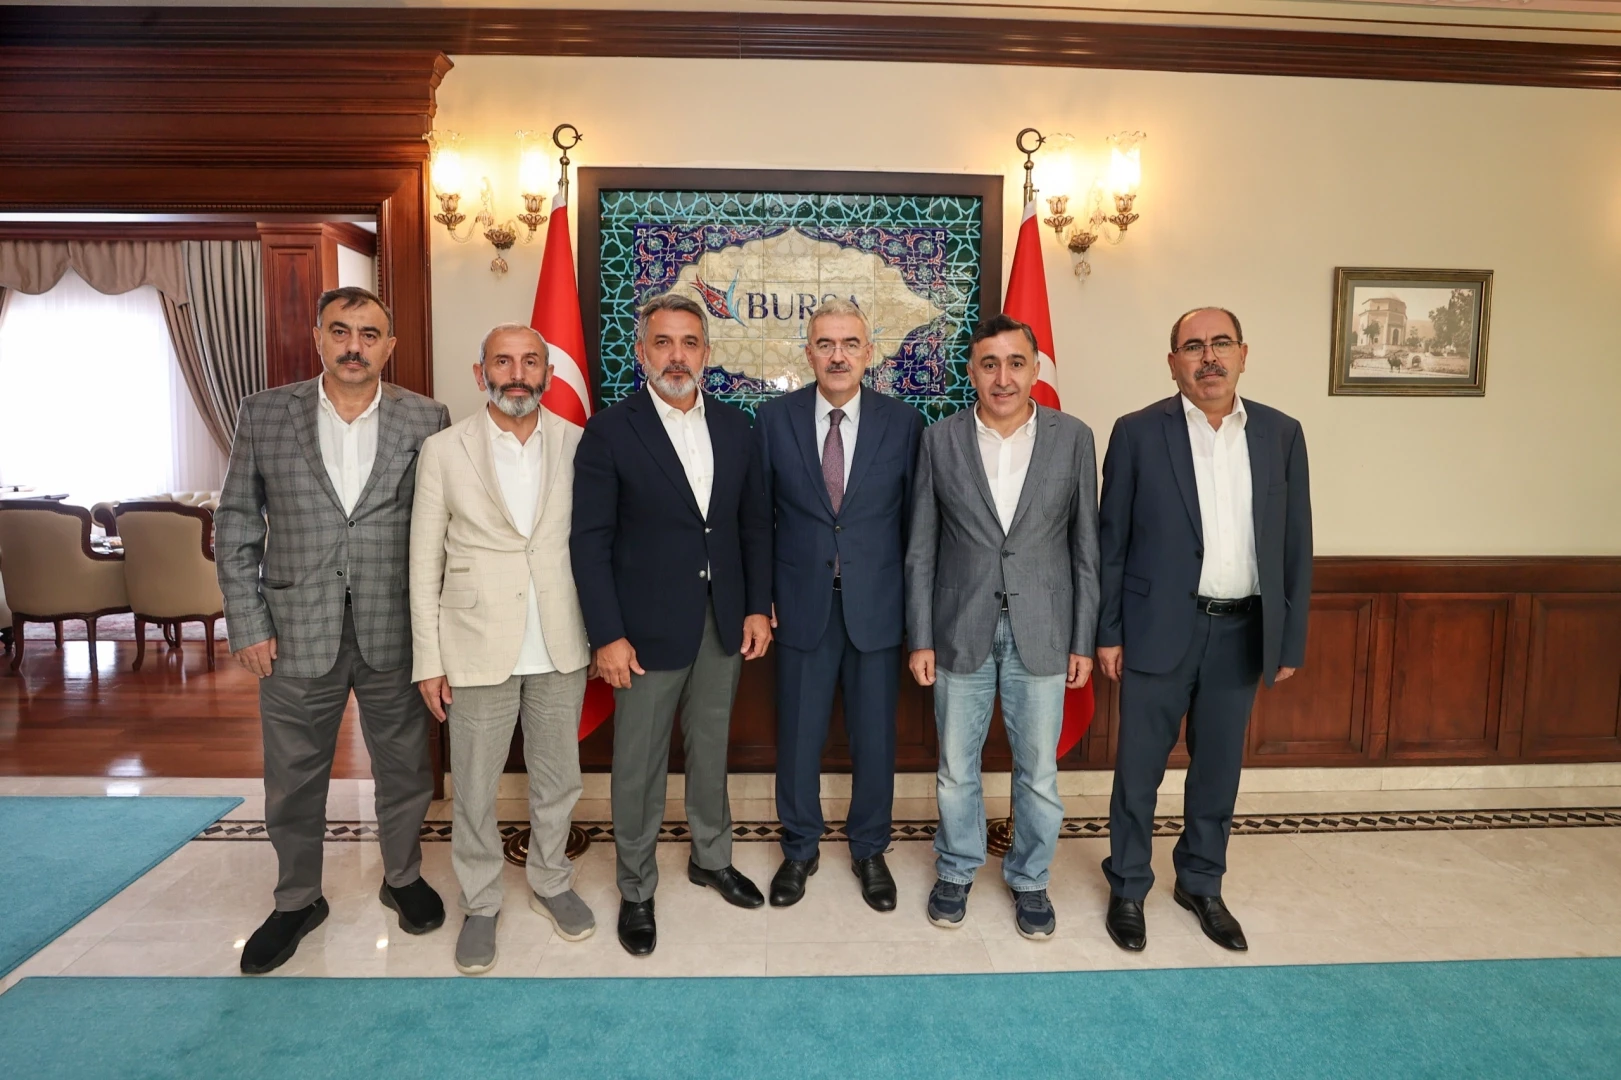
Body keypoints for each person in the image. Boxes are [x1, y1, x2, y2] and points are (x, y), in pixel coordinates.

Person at [216, 286, 449, 974]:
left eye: (369, 334)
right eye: (341, 331)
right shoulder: (264, 413)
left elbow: (442, 526)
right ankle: (296, 899)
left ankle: (402, 876)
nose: (354, 346)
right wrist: (246, 622)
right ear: (317, 337)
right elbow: (235, 522)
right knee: (292, 776)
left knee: (405, 768)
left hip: (395, 627)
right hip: (292, 629)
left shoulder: (426, 417)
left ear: (389, 346)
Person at [1096, 306, 1313, 953]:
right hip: (1157, 629)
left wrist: (1288, 638)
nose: (1208, 357)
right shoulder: (1136, 433)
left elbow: (1295, 545)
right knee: (1138, 771)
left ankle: (1200, 882)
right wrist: (1108, 631)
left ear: (1243, 354)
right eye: (1193, 346)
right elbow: (1111, 543)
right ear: (1173, 363)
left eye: (1221, 344)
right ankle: (1128, 885)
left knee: (1217, 770)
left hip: (1242, 631)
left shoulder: (1281, 434)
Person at [570, 293, 773, 956]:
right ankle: (635, 886)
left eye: (689, 343)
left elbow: (751, 526)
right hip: (642, 632)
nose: (676, 356)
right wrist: (606, 634)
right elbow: (589, 542)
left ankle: (711, 858)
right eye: (663, 342)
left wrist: (756, 605)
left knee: (711, 749)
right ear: (641, 352)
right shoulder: (610, 431)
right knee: (638, 764)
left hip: (722, 622)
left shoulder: (737, 427)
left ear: (706, 353)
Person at [904, 313, 1100, 940]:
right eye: (989, 364)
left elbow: (1085, 548)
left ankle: (1031, 879)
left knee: (1038, 773)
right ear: (972, 372)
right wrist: (920, 636)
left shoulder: (1074, 438)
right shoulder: (939, 440)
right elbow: (921, 550)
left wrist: (1083, 639)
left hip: (1044, 630)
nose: (1003, 377)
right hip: (959, 627)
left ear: (1036, 368)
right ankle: (956, 869)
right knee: (956, 768)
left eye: (1016, 363)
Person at [409, 323, 595, 975]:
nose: (517, 374)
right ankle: (481, 901)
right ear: (479, 371)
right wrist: (428, 659)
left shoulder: (579, 443)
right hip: (473, 642)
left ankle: (550, 879)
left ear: (549, 373)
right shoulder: (442, 450)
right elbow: (423, 561)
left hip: (560, 640)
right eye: (503, 361)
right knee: (475, 787)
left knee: (558, 779)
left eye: (530, 362)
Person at [754, 298, 923, 911]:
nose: (838, 355)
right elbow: (759, 520)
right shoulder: (773, 419)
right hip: (800, 606)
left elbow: (917, 527)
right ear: (808, 353)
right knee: (798, 737)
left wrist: (917, 618)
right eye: (825, 344)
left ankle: (870, 850)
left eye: (850, 344)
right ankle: (799, 848)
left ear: (868, 352)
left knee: (874, 739)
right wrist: (760, 600)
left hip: (878, 608)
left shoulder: (904, 423)